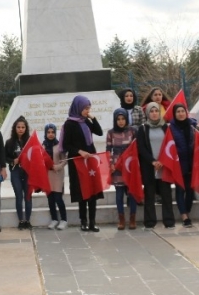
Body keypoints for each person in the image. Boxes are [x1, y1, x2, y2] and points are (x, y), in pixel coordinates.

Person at [62, 95, 104, 232]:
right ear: (78, 107)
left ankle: (92, 221)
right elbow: (66, 144)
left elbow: (99, 132)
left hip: (90, 160)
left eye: (88, 108)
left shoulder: (86, 121)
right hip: (78, 161)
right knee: (82, 191)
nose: (87, 111)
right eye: (85, 108)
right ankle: (83, 221)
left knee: (92, 190)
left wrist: (93, 118)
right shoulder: (69, 124)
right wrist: (79, 151)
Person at [137, 103, 175, 229]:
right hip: (149, 167)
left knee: (166, 195)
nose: (154, 113)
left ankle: (169, 221)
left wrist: (163, 161)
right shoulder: (142, 128)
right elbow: (141, 148)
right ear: (148, 113)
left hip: (164, 166)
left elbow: (170, 145)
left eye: (156, 111)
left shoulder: (166, 127)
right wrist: (153, 161)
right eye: (151, 111)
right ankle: (149, 222)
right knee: (149, 195)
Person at [107, 108, 138, 230]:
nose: (120, 121)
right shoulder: (111, 132)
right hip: (117, 165)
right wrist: (111, 164)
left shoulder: (132, 131)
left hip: (130, 166)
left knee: (132, 193)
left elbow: (136, 148)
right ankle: (121, 220)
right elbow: (108, 150)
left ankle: (132, 219)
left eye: (123, 119)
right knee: (119, 194)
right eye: (118, 119)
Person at [169, 104, 197, 228]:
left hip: (192, 163)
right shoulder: (171, 128)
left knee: (190, 190)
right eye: (178, 111)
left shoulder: (192, 126)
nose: (181, 113)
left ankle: (187, 211)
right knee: (180, 190)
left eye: (182, 111)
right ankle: (184, 216)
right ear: (174, 114)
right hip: (178, 163)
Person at [4, 116, 32, 229]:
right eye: (18, 127)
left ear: (26, 128)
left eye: (23, 127)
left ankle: (28, 220)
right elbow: (5, 157)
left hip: (27, 172)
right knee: (19, 196)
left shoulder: (30, 141)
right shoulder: (9, 142)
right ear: (15, 128)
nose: (20, 129)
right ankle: (21, 220)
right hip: (15, 171)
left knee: (28, 196)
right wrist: (12, 161)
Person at [43, 123, 68, 230]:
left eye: (53, 132)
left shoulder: (59, 145)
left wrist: (58, 167)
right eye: (48, 132)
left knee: (58, 198)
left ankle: (63, 220)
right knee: (50, 198)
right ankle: (54, 219)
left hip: (57, 174)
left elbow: (65, 159)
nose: (50, 134)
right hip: (47, 175)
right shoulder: (42, 146)